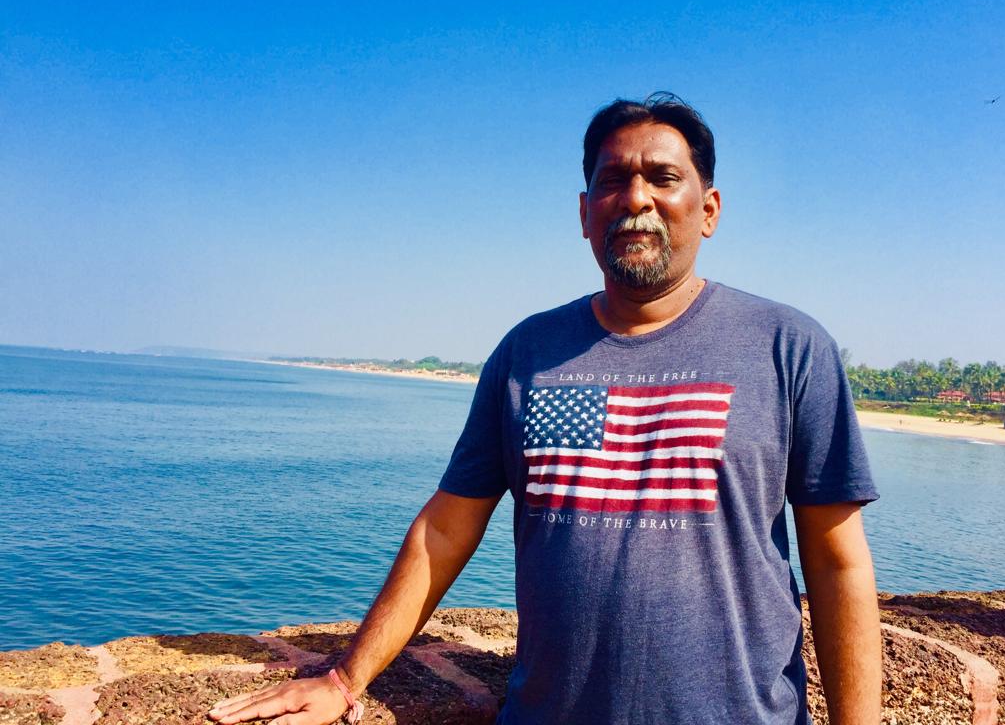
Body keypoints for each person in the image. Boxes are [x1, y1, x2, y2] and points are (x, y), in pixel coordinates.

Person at [209, 93, 881, 725]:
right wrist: (344, 678)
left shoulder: (787, 346)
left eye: (662, 177)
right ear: (586, 213)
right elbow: (444, 529)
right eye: (613, 180)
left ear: (708, 209)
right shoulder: (528, 353)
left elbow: (837, 563)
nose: (636, 198)